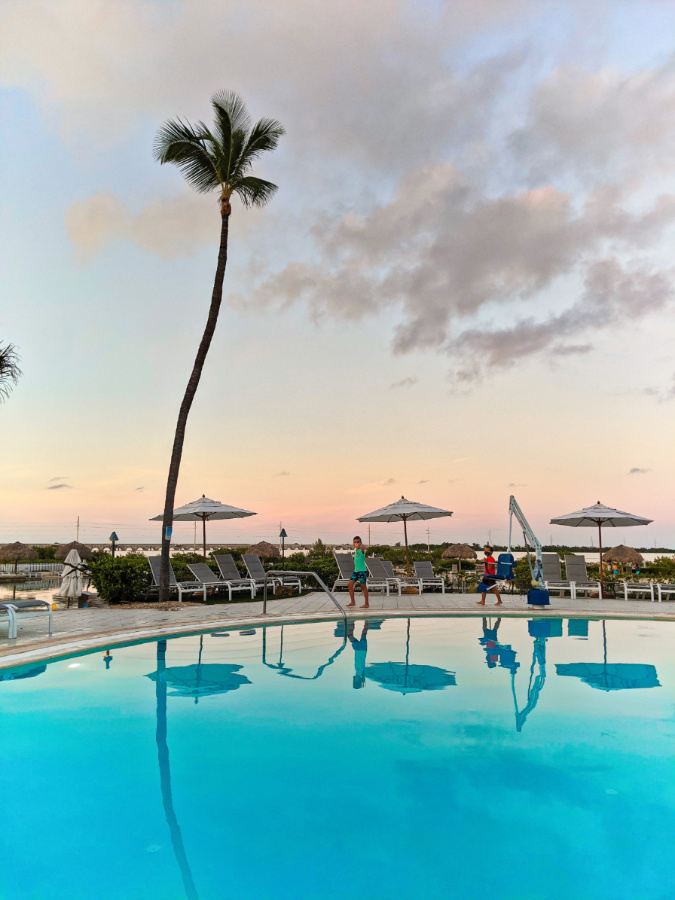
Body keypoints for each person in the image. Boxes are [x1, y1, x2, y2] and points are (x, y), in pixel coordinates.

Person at [347, 535, 369, 609]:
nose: (356, 543)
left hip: (362, 571)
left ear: (360, 543)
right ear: (353, 543)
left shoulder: (361, 550)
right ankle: (353, 602)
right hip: (356, 571)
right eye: (355, 542)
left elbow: (363, 548)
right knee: (350, 584)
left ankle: (366, 603)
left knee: (363, 587)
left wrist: (361, 546)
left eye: (358, 542)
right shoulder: (356, 551)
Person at [348, 620, 370, 688]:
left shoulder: (361, 673)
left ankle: (367, 621)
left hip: (363, 650)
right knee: (350, 636)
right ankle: (352, 622)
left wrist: (362, 682)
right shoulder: (360, 673)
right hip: (359, 650)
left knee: (364, 633)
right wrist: (360, 681)